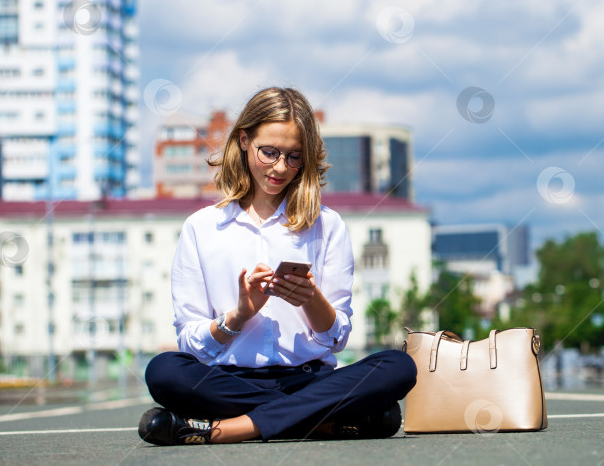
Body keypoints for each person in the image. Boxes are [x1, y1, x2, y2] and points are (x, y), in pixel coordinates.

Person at [138, 87, 417, 445]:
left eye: (294, 156)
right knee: (164, 372)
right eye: (269, 153)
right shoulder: (201, 227)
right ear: (243, 140)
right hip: (230, 383)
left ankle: (233, 428)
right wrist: (236, 317)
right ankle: (320, 423)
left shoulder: (327, 225)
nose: (281, 168)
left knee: (398, 367)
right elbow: (192, 346)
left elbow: (335, 340)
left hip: (309, 378)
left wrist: (311, 299)